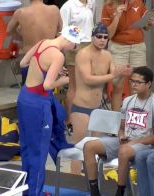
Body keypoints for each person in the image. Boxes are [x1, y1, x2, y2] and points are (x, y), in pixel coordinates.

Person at [17, 26, 81, 195]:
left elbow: (23, 63)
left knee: (27, 148)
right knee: (39, 151)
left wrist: (49, 70)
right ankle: (35, 193)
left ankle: (27, 192)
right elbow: (47, 85)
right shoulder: (58, 56)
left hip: (24, 98)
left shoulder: (43, 42)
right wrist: (63, 79)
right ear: (70, 40)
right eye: (74, 46)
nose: (73, 50)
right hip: (38, 104)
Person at [83, 66, 154, 196]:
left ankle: (120, 191)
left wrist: (134, 142)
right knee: (89, 146)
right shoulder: (128, 100)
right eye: (132, 81)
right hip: (126, 142)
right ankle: (94, 191)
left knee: (124, 150)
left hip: (145, 145)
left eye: (138, 82)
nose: (133, 85)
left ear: (148, 84)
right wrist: (121, 135)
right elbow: (121, 127)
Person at [70, 23, 132, 174]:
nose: (102, 40)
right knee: (79, 149)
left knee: (96, 149)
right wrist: (114, 74)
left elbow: (115, 82)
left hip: (97, 109)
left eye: (105, 37)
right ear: (92, 37)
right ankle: (74, 181)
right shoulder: (83, 54)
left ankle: (93, 182)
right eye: (99, 37)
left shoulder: (108, 56)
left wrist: (123, 74)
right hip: (81, 109)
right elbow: (88, 79)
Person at [101, 0, 154, 111]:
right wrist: (117, 16)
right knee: (117, 86)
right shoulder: (108, 6)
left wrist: (151, 22)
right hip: (118, 47)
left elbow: (145, 27)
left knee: (139, 85)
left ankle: (136, 116)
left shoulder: (138, 3)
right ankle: (116, 121)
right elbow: (108, 35)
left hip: (138, 47)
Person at [7, 0, 63, 85]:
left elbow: (9, 31)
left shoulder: (20, 13)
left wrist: (22, 36)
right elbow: (60, 29)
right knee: (48, 90)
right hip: (49, 57)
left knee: (30, 90)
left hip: (30, 58)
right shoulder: (54, 10)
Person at [60, 0, 96, 128]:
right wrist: (75, 41)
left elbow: (92, 25)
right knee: (74, 85)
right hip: (75, 44)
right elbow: (63, 29)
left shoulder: (92, 2)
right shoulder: (68, 6)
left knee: (88, 84)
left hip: (91, 45)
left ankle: (87, 117)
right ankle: (70, 119)